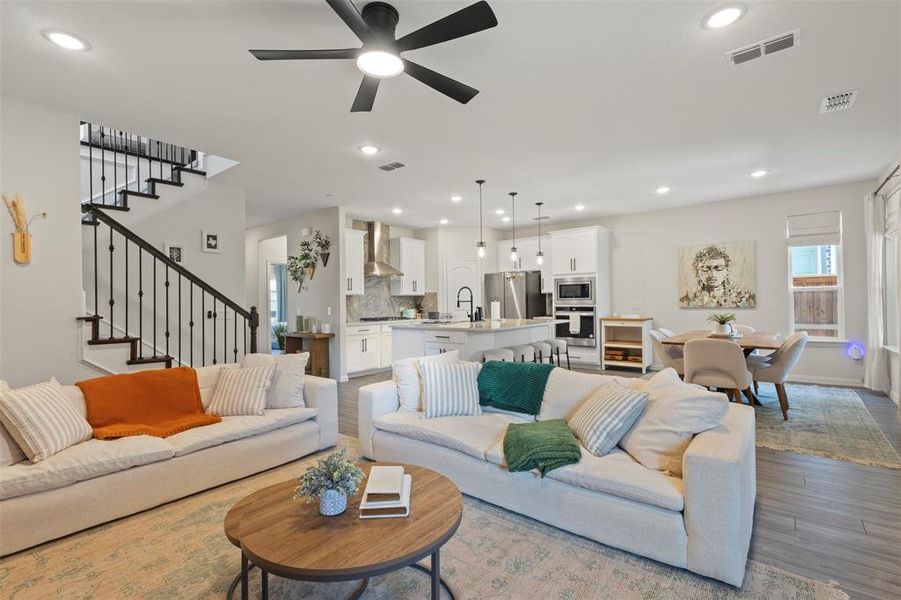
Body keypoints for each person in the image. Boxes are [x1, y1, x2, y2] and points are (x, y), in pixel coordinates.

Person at [680, 245, 756, 308]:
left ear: (727, 271)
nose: (712, 274)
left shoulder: (744, 299)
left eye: (719, 269)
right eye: (705, 269)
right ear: (697, 272)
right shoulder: (687, 302)